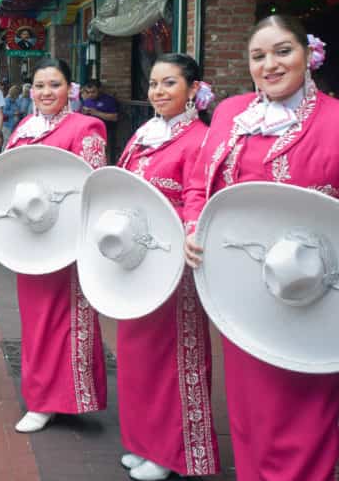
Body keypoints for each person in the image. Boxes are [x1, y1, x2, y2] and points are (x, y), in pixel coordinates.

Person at [183, 15, 339, 481]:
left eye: (283, 51)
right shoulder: (230, 114)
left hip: (315, 296)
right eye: (259, 56)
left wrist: (318, 254)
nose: (271, 64)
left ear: (309, 55)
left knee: (310, 414)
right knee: (249, 411)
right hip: (241, 289)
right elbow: (199, 185)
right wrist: (193, 226)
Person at [113, 53, 219, 480]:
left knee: (174, 355)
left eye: (169, 83)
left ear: (194, 89)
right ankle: (143, 441)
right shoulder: (144, 133)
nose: (158, 92)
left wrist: (184, 228)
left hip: (175, 261)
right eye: (154, 84)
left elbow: (201, 198)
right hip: (137, 261)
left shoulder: (202, 139)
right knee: (136, 353)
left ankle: (174, 450)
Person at [2, 58, 108, 434]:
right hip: (30, 239)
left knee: (63, 319)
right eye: (40, 86)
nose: (47, 93)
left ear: (70, 90)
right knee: (35, 321)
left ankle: (56, 399)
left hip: (67, 240)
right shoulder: (22, 129)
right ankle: (43, 395)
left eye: (55, 85)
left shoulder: (86, 127)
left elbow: (94, 184)